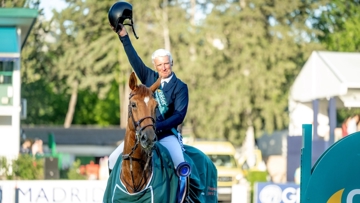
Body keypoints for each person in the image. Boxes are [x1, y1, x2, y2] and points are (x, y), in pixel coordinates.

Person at [108, 24, 190, 175]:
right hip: (142, 134)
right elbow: (134, 59)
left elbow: (179, 116)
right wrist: (123, 36)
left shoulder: (180, 87)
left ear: (171, 63)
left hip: (166, 136)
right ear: (155, 65)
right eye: (160, 65)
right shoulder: (148, 76)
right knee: (112, 159)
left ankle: (181, 198)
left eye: (166, 63)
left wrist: (156, 126)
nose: (164, 67)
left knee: (181, 165)